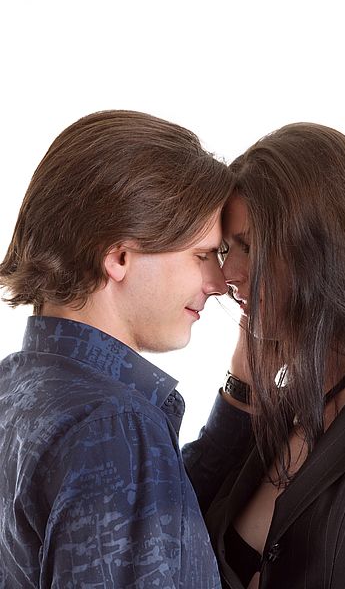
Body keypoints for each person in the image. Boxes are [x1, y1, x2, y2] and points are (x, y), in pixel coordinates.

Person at [0, 110, 233, 588]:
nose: (217, 282)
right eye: (202, 255)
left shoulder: (13, 385)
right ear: (120, 256)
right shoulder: (115, 427)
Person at [183, 123, 345, 589]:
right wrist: (241, 387)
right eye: (225, 249)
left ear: (323, 245)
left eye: (249, 246)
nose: (227, 276)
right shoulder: (284, 407)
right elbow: (175, 534)